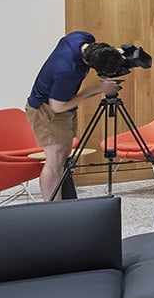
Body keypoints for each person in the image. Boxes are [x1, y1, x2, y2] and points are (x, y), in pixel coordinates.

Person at [24, 32, 125, 201]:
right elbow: (57, 106)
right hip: (47, 111)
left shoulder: (81, 38)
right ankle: (53, 211)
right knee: (54, 161)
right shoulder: (67, 71)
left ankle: (66, 201)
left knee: (63, 155)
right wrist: (97, 88)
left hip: (64, 108)